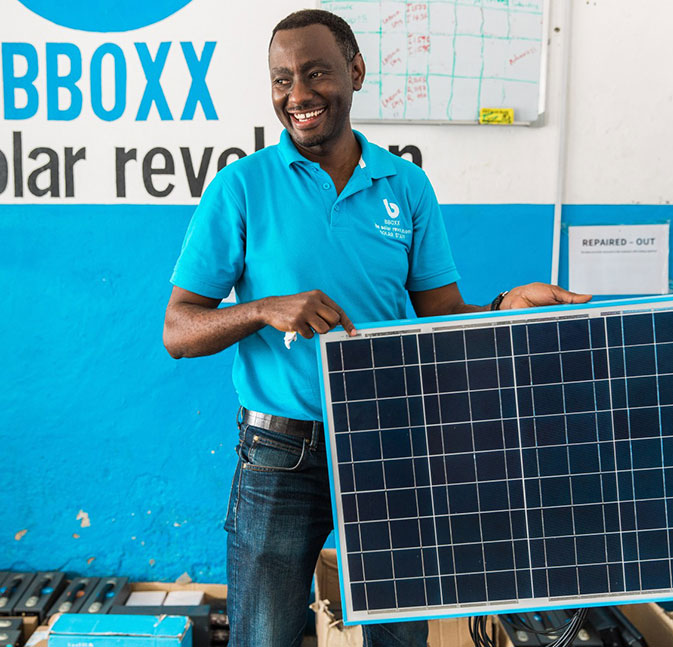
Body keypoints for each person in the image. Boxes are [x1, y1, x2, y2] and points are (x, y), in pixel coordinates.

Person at [163, 9, 590, 647]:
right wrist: (262, 309)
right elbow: (177, 331)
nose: (297, 95)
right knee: (264, 636)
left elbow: (442, 315)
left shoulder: (406, 186)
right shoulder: (240, 188)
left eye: (315, 73)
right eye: (282, 79)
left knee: (401, 639)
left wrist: (505, 306)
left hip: (390, 441)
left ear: (356, 72)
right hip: (280, 452)